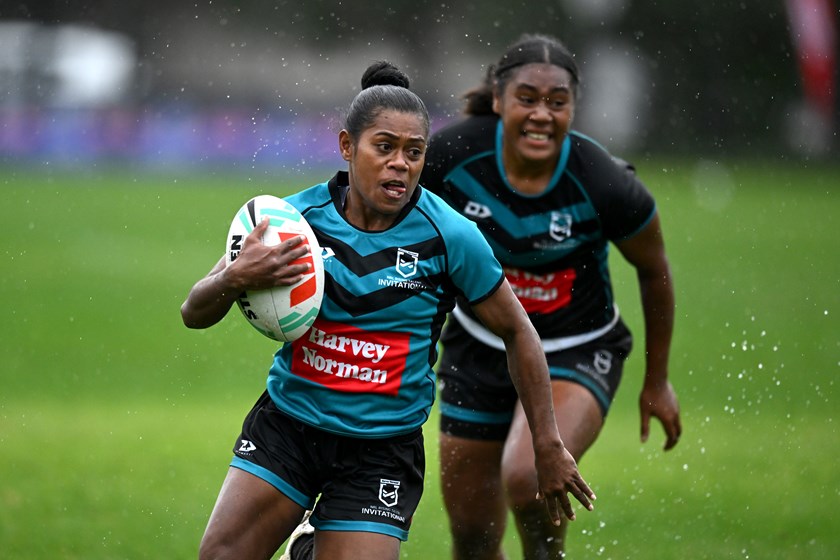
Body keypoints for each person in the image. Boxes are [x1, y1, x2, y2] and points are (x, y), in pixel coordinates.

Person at [181, 60, 595, 560]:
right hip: (289, 428)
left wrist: (547, 443)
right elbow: (193, 311)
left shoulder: (451, 236)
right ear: (347, 147)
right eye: (385, 147)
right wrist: (234, 276)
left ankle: (308, 549)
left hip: (381, 450)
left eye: (414, 152)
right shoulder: (291, 223)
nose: (401, 163)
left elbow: (519, 332)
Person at [420, 34, 683, 559]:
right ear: (498, 100)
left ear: (573, 107)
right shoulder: (452, 157)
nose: (542, 115)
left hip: (578, 349)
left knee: (526, 474)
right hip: (479, 347)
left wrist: (657, 381)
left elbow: (655, 271)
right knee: (471, 538)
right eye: (527, 99)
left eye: (557, 102)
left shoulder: (603, 182)